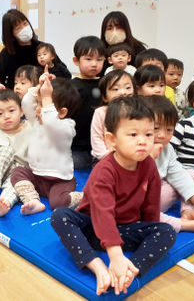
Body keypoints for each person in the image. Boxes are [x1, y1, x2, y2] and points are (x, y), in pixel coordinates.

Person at [51, 96, 176, 296]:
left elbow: (151, 207)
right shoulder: (104, 171)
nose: (143, 141)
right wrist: (115, 255)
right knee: (60, 216)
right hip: (93, 226)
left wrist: (147, 232)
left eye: (148, 134)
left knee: (167, 232)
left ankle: (128, 271)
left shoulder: (149, 165)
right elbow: (102, 213)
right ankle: (97, 265)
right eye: (133, 134)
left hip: (127, 229)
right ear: (112, 140)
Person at [11, 75, 83, 215]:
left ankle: (84, 196)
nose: (37, 108)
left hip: (60, 181)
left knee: (58, 203)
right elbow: (26, 104)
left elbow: (51, 122)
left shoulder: (67, 127)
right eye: (38, 103)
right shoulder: (37, 120)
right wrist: (39, 86)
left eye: (42, 104)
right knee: (18, 172)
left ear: (62, 112)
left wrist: (46, 97)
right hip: (37, 176)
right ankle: (32, 200)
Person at [144, 95, 194, 234]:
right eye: (156, 128)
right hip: (141, 201)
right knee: (142, 214)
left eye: (169, 130)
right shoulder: (137, 148)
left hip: (159, 195)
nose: (163, 135)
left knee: (191, 175)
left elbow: (178, 174)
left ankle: (187, 212)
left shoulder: (167, 148)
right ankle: (183, 224)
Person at [0, 9, 65, 89]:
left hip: (42, 92)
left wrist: (54, 77)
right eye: (18, 28)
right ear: (11, 34)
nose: (24, 28)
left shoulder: (42, 48)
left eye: (25, 23)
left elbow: (64, 71)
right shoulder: (7, 53)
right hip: (18, 96)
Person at [70, 36, 106, 169]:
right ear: (76, 61)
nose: (94, 64)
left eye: (99, 59)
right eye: (88, 59)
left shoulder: (106, 84)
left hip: (102, 144)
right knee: (76, 164)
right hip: (77, 145)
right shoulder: (71, 86)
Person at [91, 70, 136, 162]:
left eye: (128, 87)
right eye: (115, 89)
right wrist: (108, 157)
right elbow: (97, 139)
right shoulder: (101, 112)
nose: (123, 92)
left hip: (131, 157)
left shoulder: (138, 111)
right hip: (105, 158)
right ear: (105, 97)